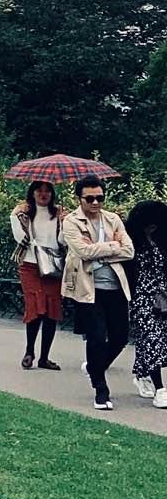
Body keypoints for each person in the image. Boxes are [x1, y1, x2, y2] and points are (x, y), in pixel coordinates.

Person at [61, 176, 134, 411]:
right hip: (88, 289)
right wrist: (112, 247)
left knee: (120, 337)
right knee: (96, 337)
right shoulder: (71, 221)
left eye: (99, 198)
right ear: (79, 198)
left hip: (115, 287)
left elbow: (129, 250)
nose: (95, 203)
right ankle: (101, 390)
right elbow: (82, 251)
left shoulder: (112, 219)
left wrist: (99, 252)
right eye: (89, 198)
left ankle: (95, 366)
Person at [10, 179, 64, 371]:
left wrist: (65, 223)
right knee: (35, 306)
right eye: (39, 190)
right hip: (31, 265)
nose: (43, 194)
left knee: (51, 310)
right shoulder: (22, 213)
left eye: (47, 191)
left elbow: (61, 241)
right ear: (32, 193)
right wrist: (19, 217)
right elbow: (20, 237)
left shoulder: (59, 214)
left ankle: (45, 357)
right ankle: (29, 351)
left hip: (52, 267)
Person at [122, 199, 167, 409]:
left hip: (162, 296)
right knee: (152, 338)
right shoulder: (132, 243)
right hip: (142, 296)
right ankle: (160, 388)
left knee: (149, 338)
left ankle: (141, 374)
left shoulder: (161, 240)